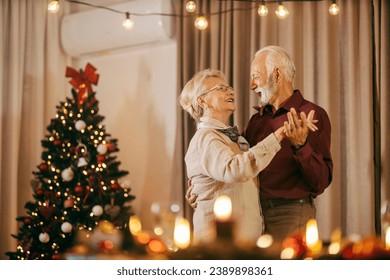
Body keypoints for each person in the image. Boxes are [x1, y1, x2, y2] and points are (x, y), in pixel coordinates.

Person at [187, 46, 332, 242]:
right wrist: (199, 187)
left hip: (289, 213)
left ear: (277, 75)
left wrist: (300, 145)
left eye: (256, 76)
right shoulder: (256, 122)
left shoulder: (310, 115)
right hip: (255, 216)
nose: (251, 85)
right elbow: (238, 164)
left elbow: (321, 181)